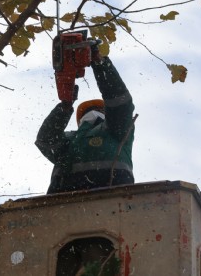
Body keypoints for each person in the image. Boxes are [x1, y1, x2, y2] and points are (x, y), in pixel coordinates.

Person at [35, 48, 136, 194]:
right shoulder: (72, 139)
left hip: (64, 200)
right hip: (114, 194)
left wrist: (100, 64)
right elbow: (46, 140)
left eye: (98, 110)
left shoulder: (114, 129)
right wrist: (64, 108)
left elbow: (119, 103)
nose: (93, 113)